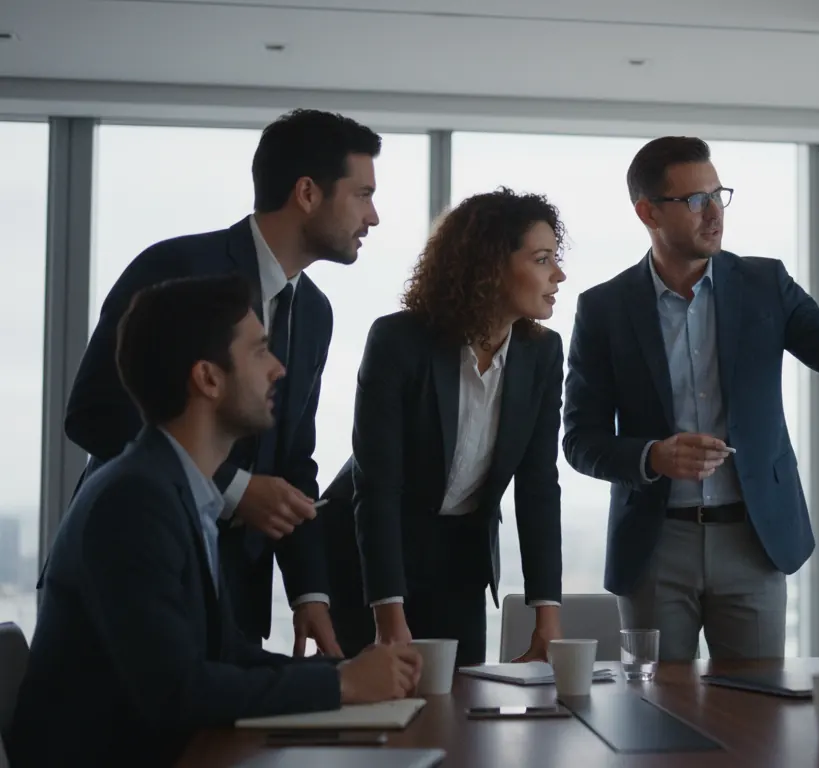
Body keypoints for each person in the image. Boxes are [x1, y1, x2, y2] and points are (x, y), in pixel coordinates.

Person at [562, 136, 819, 661]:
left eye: (719, 195)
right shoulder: (604, 308)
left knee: (756, 704)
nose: (715, 213)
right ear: (648, 212)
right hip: (654, 545)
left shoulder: (765, 283)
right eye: (695, 200)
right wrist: (653, 456)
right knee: (655, 706)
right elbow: (581, 440)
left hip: (753, 539)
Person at [6, 275, 421, 768]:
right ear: (208, 378)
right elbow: (178, 690)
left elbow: (225, 656)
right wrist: (341, 685)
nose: (278, 369)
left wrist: (345, 672)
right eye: (259, 351)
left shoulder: (178, 490)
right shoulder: (135, 502)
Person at [62, 108, 383, 656]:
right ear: (307, 193)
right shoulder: (179, 267)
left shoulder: (315, 312)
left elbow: (292, 460)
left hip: (235, 604)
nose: (373, 216)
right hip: (131, 582)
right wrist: (234, 490)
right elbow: (94, 412)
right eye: (363, 194)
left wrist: (309, 592)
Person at [321, 188, 567, 665]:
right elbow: (377, 487)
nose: (558, 275)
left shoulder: (542, 353)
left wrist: (548, 619)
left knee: (462, 699)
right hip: (368, 556)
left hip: (460, 554)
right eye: (542, 260)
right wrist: (389, 621)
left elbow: (538, 485)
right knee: (382, 698)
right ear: (490, 265)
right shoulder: (399, 341)